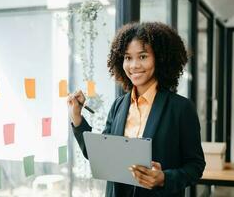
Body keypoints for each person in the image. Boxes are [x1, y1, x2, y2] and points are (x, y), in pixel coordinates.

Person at [67, 22, 205, 197]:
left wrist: (164, 178)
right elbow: (100, 156)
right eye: (127, 57)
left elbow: (195, 166)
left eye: (142, 56)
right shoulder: (118, 106)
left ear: (160, 58)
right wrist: (76, 117)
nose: (133, 66)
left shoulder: (181, 108)